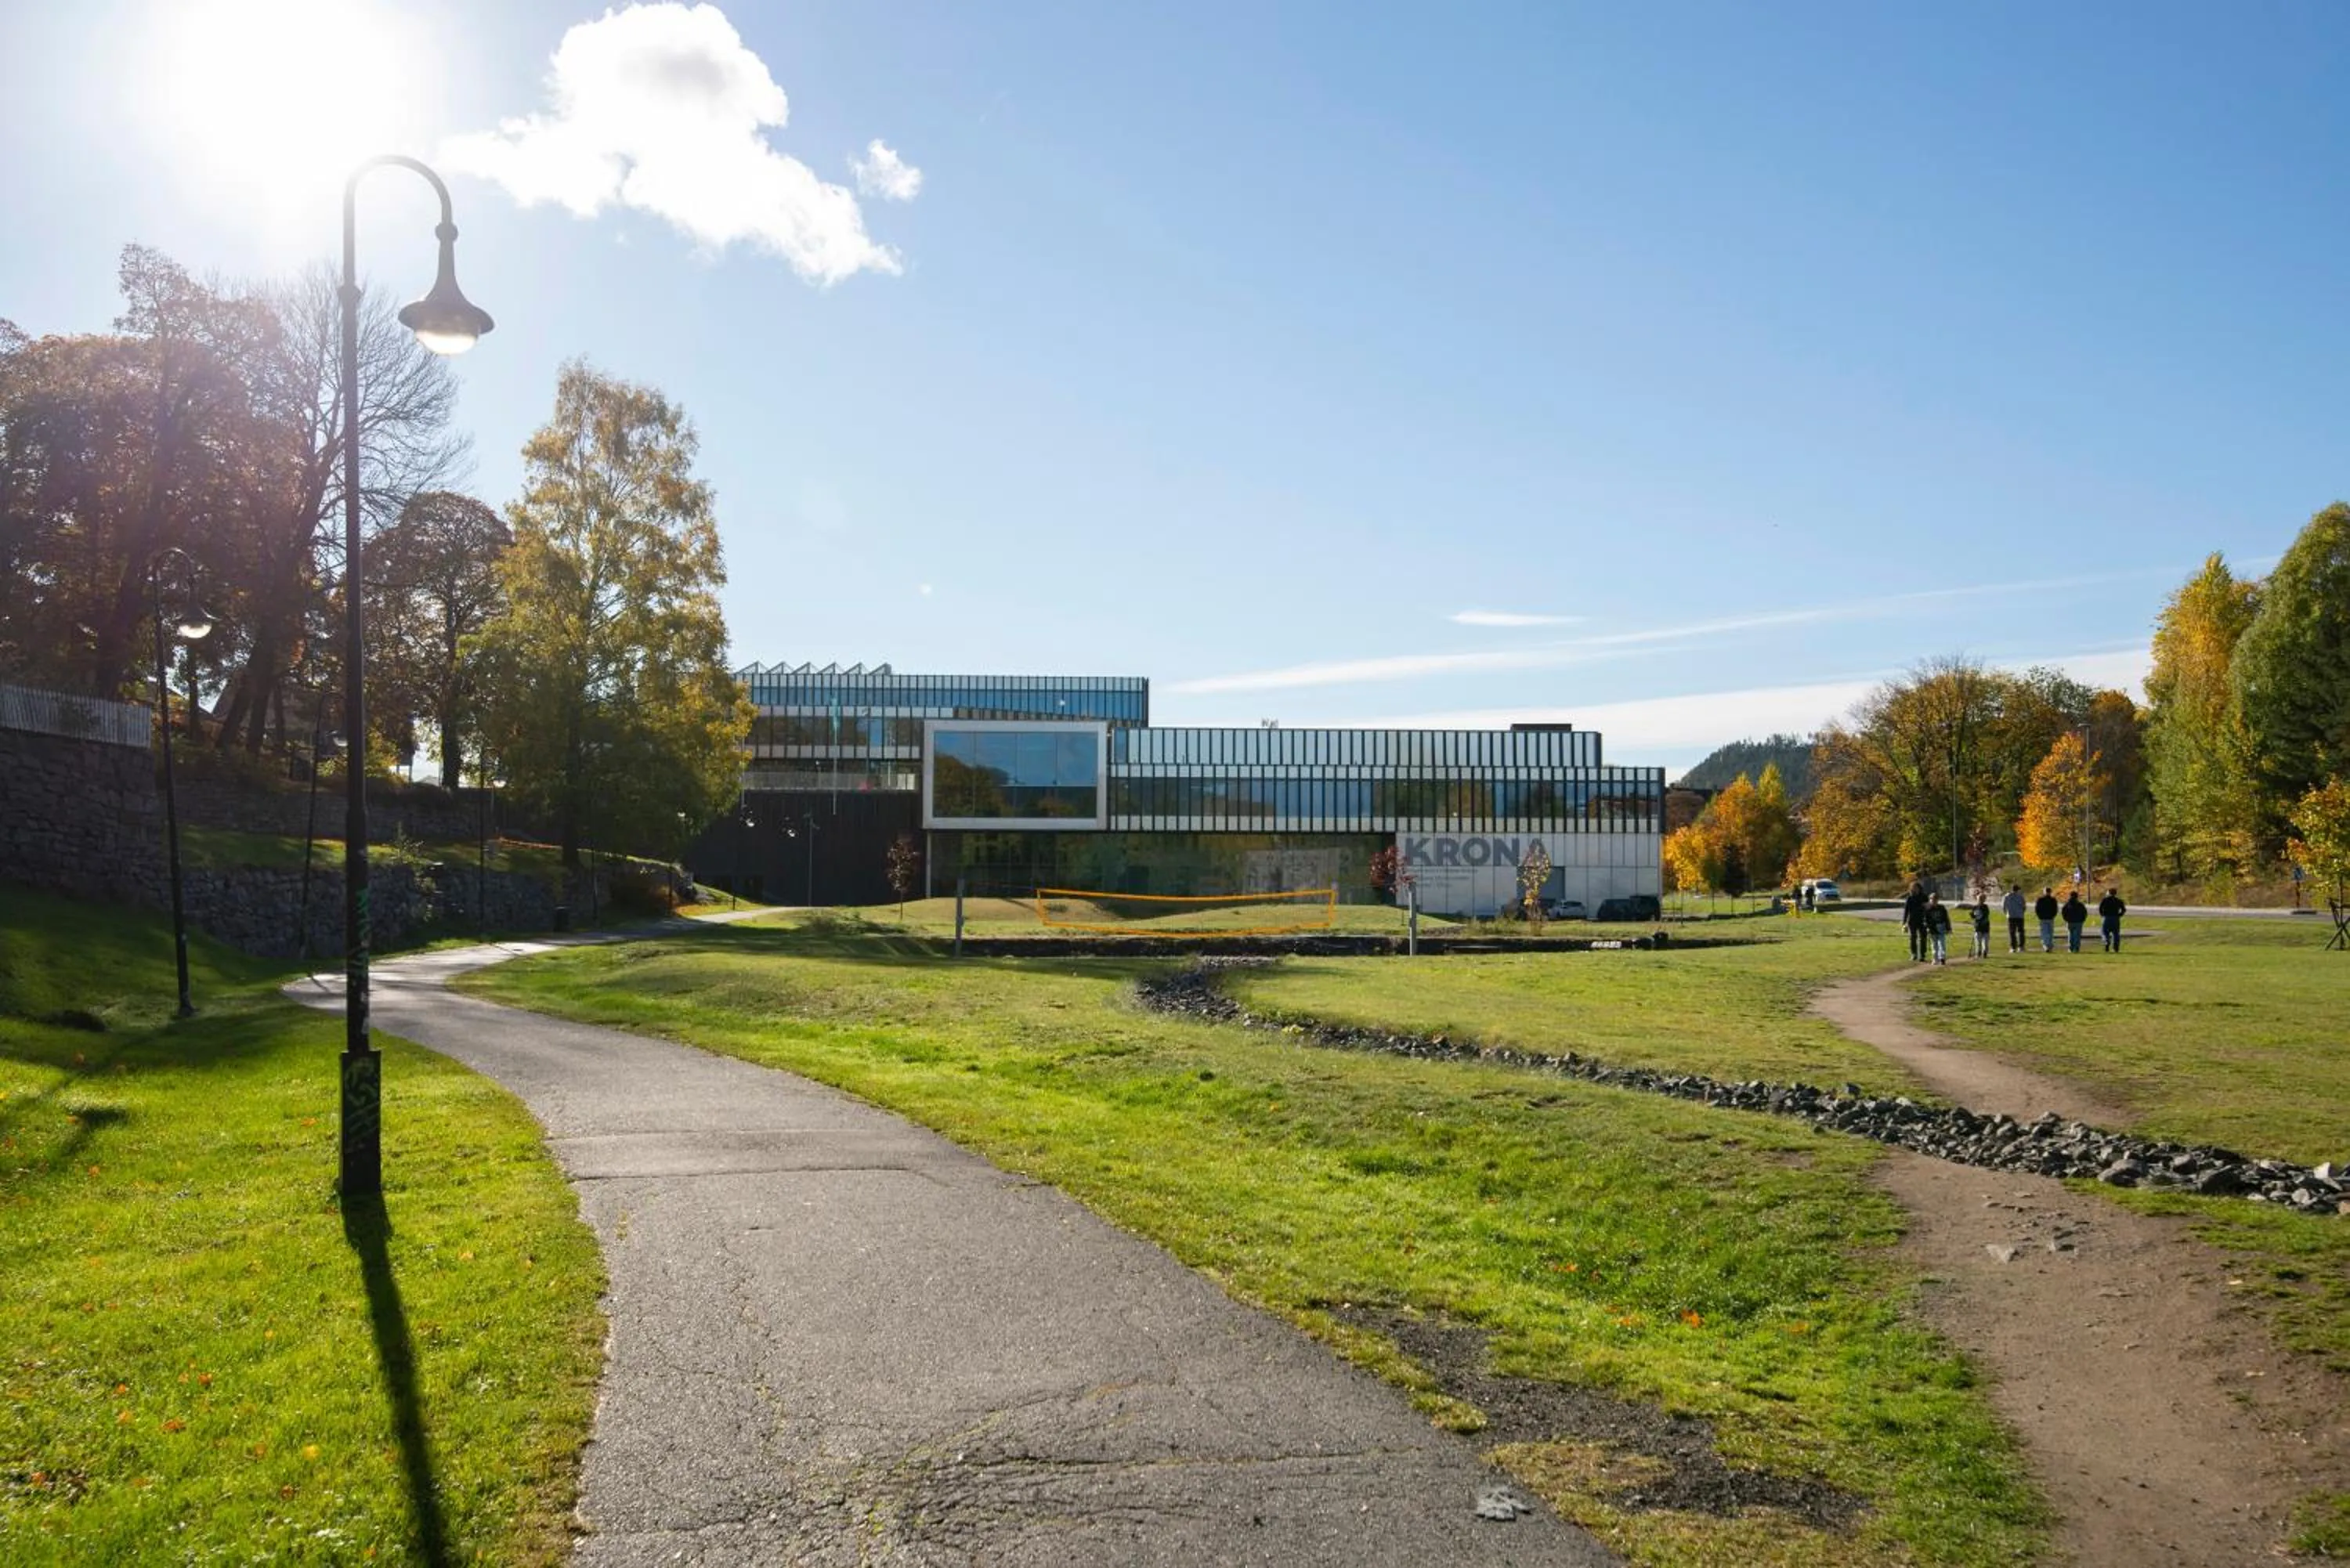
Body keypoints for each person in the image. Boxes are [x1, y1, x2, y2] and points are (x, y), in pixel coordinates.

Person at [1901, 879, 1929, 962]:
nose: (1915, 889)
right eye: (1913, 888)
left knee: (1923, 938)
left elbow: (1928, 908)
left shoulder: (1924, 897)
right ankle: (1914, 954)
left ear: (1919, 888)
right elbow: (1906, 910)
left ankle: (1922, 955)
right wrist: (1904, 923)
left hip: (1923, 920)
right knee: (1913, 938)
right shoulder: (1910, 898)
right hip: (1912, 921)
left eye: (1916, 888)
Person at [2098, 885, 2127, 952]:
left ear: (2108, 893)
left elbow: (2100, 908)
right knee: (2116, 933)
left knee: (2104, 932)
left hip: (2106, 917)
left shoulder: (2105, 900)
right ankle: (2115, 947)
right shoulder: (2119, 901)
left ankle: (2106, 941)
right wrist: (2120, 915)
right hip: (2115, 918)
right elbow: (2123, 909)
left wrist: (2102, 915)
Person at [1925, 892, 1952, 964]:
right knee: (1934, 945)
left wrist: (1949, 928)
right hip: (1932, 929)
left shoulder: (1942, 908)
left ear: (1938, 900)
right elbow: (1925, 920)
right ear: (1930, 900)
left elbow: (1946, 918)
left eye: (1935, 900)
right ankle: (1935, 959)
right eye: (1932, 900)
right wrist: (1927, 927)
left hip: (1941, 928)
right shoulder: (1927, 909)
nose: (1934, 901)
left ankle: (1942, 958)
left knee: (1942, 944)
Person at [2001, 883, 2027, 952]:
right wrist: (2022, 912)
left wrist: (2006, 914)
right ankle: (2021, 947)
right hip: (2020, 916)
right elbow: (2024, 906)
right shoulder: (2021, 896)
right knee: (2021, 931)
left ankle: (2013, 947)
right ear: (2018, 890)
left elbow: (2004, 907)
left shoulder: (2007, 896)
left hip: (2011, 916)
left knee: (2012, 932)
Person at [2061, 887, 2088, 953]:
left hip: (2070, 921)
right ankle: (2076, 948)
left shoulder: (2067, 904)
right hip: (2079, 922)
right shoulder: (2080, 905)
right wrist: (2083, 919)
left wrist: (2066, 919)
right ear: (2077, 897)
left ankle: (2071, 948)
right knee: (2077, 936)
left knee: (2070, 935)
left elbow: (2063, 912)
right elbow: (2084, 913)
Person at [2034, 887, 2059, 952]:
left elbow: (2037, 909)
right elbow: (2055, 909)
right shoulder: (2053, 900)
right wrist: (2053, 915)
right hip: (2050, 918)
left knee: (2044, 932)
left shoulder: (2040, 900)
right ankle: (2050, 945)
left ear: (2044, 892)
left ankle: (2046, 945)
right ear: (2050, 892)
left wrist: (2039, 916)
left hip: (2043, 918)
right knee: (2050, 932)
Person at [1970, 894, 1992, 959]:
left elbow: (1986, 916)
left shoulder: (1985, 907)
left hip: (1985, 927)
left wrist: (1982, 921)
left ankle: (1985, 952)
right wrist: (1972, 916)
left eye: (1982, 899)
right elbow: (1974, 916)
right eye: (1979, 899)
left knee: (1985, 941)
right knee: (1978, 940)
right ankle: (1978, 952)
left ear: (1984, 900)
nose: (1980, 900)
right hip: (1978, 927)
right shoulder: (1975, 907)